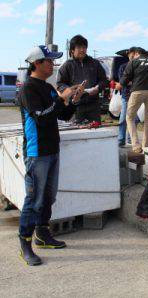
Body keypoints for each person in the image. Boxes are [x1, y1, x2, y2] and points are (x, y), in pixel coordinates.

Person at [18, 45, 83, 266]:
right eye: (49, 61)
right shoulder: (28, 88)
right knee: (34, 200)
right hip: (37, 153)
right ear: (37, 63)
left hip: (52, 150)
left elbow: (62, 115)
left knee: (48, 197)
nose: (53, 65)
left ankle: (42, 235)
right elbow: (41, 117)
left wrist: (73, 99)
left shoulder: (48, 87)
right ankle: (25, 245)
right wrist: (60, 98)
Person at [117, 47, 148, 153]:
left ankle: (136, 145)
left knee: (129, 117)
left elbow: (125, 78)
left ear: (137, 53)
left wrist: (120, 84)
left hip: (137, 91)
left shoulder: (134, 62)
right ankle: (146, 146)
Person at [57, 34, 108, 123]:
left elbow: (104, 80)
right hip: (75, 106)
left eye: (84, 47)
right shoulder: (66, 65)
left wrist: (98, 88)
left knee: (96, 132)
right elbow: (60, 84)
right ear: (72, 50)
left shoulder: (95, 63)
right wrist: (71, 90)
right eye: (79, 47)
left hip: (94, 105)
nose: (82, 50)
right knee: (76, 132)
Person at [117, 47, 137, 146]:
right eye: (131, 55)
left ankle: (130, 138)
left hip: (137, 96)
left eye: (134, 54)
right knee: (123, 118)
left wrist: (130, 82)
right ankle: (121, 139)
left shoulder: (139, 66)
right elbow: (122, 81)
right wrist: (131, 82)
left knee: (135, 118)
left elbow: (140, 81)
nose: (132, 56)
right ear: (128, 55)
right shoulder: (122, 66)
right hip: (126, 95)